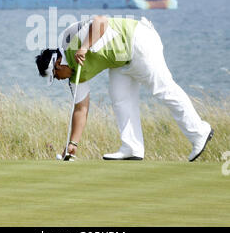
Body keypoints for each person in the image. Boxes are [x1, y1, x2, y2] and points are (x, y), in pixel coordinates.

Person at [35, 15, 214, 161]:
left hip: (137, 39)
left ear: (58, 63)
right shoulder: (74, 77)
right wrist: (73, 143)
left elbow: (101, 21)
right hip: (120, 60)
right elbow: (81, 109)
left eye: (56, 75)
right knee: (120, 98)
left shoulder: (69, 39)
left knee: (163, 89)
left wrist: (84, 47)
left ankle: (199, 132)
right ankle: (132, 147)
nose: (58, 79)